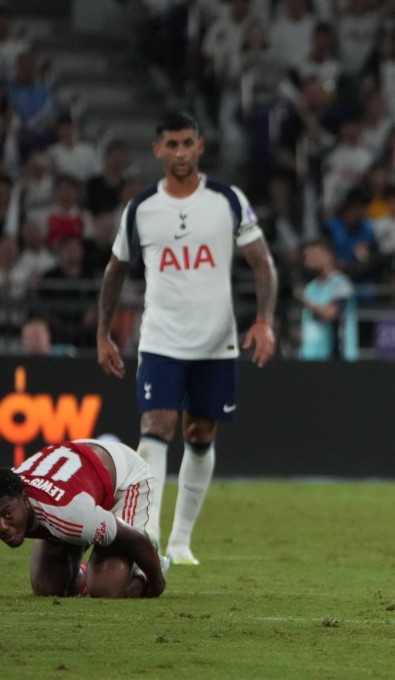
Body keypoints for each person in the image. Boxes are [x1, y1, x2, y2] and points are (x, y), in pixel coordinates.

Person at [95, 111, 278, 566]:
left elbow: (262, 263)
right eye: (171, 144)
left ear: (199, 146)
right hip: (160, 340)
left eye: (187, 143)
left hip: (216, 343)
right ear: (157, 150)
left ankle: (181, 539)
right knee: (156, 427)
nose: (180, 152)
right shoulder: (141, 209)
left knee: (200, 433)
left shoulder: (227, 199)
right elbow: (115, 269)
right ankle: (149, 534)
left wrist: (264, 320)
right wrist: (103, 333)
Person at [0, 439, 166, 598]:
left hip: (123, 477)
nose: (3, 527)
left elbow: (134, 538)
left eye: (7, 514)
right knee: (47, 587)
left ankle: (151, 564)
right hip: (76, 476)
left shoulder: (68, 513)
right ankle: (89, 573)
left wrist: (157, 583)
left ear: (24, 500)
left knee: (106, 589)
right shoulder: (15, 497)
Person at [295, 238, 354, 361]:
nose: (309, 260)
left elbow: (330, 314)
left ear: (328, 255)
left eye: (314, 255)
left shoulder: (342, 285)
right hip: (308, 356)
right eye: (307, 256)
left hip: (334, 357)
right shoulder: (310, 287)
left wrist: (305, 300)